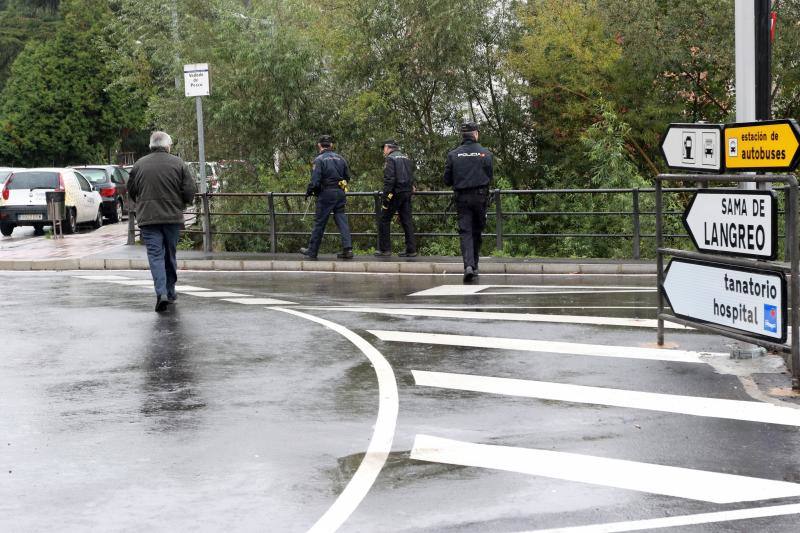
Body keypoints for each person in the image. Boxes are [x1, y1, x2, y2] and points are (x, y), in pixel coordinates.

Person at [128, 131, 197, 312]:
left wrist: (141, 204)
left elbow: (132, 191)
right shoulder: (178, 164)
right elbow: (190, 191)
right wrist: (182, 203)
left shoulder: (139, 165)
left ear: (151, 146)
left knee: (155, 256)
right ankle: (170, 291)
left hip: (148, 219)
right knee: (170, 255)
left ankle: (161, 293)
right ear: (167, 146)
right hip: (172, 217)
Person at [443, 122, 494, 283]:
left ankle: (468, 266)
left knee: (465, 232)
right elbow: (489, 176)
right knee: (477, 231)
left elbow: (447, 180)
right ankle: (475, 265)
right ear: (476, 134)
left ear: (462, 136)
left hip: (462, 198)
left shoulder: (453, 155)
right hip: (480, 197)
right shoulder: (485, 154)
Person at [300, 135, 354, 260]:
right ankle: (348, 249)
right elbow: (347, 177)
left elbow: (315, 181)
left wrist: (310, 191)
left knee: (320, 222)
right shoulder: (341, 159)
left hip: (326, 194)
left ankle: (312, 251)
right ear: (331, 145)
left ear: (319, 145)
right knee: (342, 220)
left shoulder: (319, 160)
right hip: (340, 193)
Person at [375, 139, 417, 257]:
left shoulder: (390, 159)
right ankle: (411, 249)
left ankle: (385, 249)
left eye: (384, 148)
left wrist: (386, 197)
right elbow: (411, 175)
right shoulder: (406, 157)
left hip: (395, 193)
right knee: (407, 220)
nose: (383, 150)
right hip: (407, 192)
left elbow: (389, 179)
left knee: (384, 219)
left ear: (388, 148)